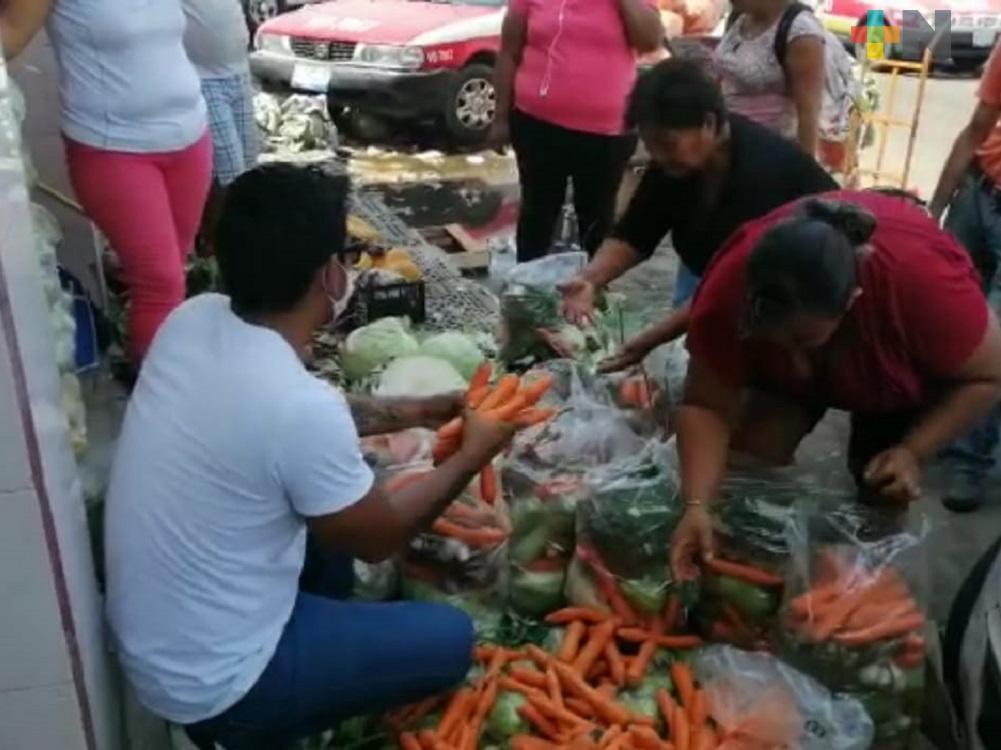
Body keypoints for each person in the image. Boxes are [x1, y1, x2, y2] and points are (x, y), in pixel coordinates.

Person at [104, 165, 516, 749]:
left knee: (339, 503)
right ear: (329, 273)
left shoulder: (191, 321)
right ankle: (273, 720)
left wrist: (411, 412)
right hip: (223, 688)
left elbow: (283, 425)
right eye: (344, 258)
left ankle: (321, 638)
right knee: (450, 638)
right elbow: (382, 535)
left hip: (159, 645)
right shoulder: (296, 403)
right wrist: (473, 455)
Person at [668, 191, 1001, 581]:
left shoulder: (919, 285)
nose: (798, 366)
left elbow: (989, 374)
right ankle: (745, 570)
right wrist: (696, 504)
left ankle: (858, 591)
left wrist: (913, 451)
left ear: (851, 302)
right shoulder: (728, 290)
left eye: (804, 343)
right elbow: (706, 405)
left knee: (881, 486)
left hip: (890, 368)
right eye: (778, 345)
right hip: (796, 345)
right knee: (749, 456)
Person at [560, 59, 835, 368]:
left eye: (667, 143)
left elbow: (732, 286)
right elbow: (635, 231)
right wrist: (590, 279)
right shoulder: (673, 167)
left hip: (802, 310)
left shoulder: (763, 173)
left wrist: (650, 341)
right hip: (729, 293)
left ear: (708, 123)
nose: (658, 156)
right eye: (651, 145)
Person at [2, 0, 212, 363]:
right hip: (114, 148)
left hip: (191, 136)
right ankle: (160, 395)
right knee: (161, 285)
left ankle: (163, 380)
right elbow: (11, 34)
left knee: (169, 274)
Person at [491, 0, 664, 262]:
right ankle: (529, 290)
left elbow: (650, 42)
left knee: (597, 221)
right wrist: (500, 118)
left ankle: (592, 290)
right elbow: (508, 53)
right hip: (536, 123)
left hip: (607, 133)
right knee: (537, 215)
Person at [928, 43, 1001, 511]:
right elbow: (978, 126)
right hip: (980, 190)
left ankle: (966, 460)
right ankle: (932, 431)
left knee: (997, 343)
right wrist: (935, 206)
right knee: (945, 315)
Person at [181, 0, 260, 248]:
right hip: (203, 77)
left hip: (239, 72)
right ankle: (214, 246)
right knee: (229, 173)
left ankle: (233, 239)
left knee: (248, 168)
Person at [714, 0, 826, 155]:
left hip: (767, 152)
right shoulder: (740, 16)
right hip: (729, 144)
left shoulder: (800, 31)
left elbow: (808, 114)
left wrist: (805, 172)